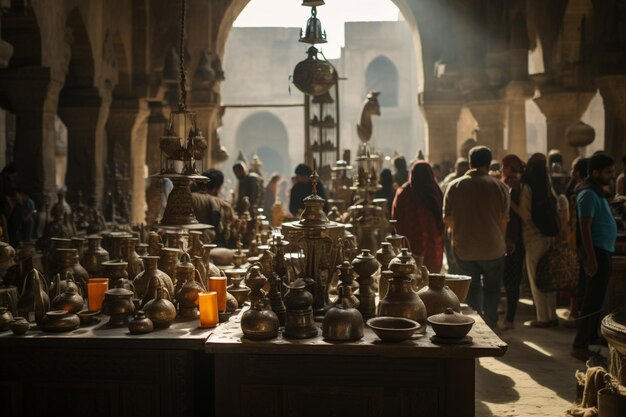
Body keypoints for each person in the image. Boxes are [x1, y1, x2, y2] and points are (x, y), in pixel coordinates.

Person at [443, 146, 510, 329]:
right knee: (492, 289)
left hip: (465, 248)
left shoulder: (455, 186)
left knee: (471, 289)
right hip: (493, 248)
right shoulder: (500, 186)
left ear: (470, 163)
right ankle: (490, 323)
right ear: (489, 164)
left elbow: (447, 219)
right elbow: (504, 220)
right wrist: (499, 238)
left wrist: (462, 232)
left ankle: (475, 325)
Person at [571, 153, 616, 361]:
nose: (611, 176)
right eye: (608, 172)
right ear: (595, 172)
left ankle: (590, 340)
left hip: (603, 250)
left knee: (596, 300)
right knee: (591, 300)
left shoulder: (598, 192)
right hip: (596, 251)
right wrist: (590, 257)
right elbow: (585, 227)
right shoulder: (587, 193)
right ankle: (580, 344)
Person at [518, 154, 560, 328]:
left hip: (533, 238)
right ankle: (552, 315)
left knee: (536, 278)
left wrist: (512, 205)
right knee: (549, 278)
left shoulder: (528, 186)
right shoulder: (547, 184)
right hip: (550, 237)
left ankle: (542, 318)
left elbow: (526, 215)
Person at [392, 161, 444, 273]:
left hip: (409, 243)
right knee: (430, 277)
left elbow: (395, 217)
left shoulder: (404, 193)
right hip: (433, 244)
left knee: (410, 277)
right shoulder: (435, 191)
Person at [500, 154, 525, 330]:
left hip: (513, 238)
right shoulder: (508, 181)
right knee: (509, 279)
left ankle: (510, 319)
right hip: (509, 237)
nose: (502, 169)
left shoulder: (513, 183)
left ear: (510, 167)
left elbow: (514, 216)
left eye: (504, 166)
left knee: (512, 280)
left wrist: (511, 239)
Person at [191, 169, 236, 247]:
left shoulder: (189, 197)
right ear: (217, 188)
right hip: (212, 249)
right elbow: (231, 233)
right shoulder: (224, 205)